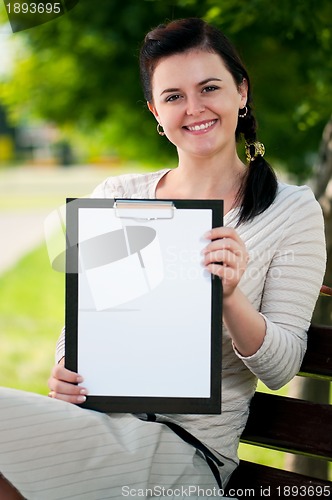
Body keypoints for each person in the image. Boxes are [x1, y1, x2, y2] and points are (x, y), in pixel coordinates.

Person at [0, 17, 326, 500]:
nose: (194, 109)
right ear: (156, 111)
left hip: (188, 452)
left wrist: (231, 298)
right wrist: (68, 368)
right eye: (173, 96)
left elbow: (280, 370)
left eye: (209, 87)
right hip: (98, 424)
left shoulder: (290, 209)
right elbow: (82, 328)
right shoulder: (116, 195)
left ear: (241, 91)